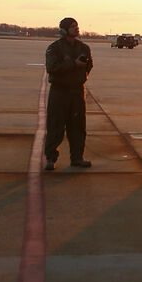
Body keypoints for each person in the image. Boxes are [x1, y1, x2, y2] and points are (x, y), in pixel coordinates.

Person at [44, 17, 93, 170]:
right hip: (59, 92)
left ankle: (77, 158)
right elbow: (52, 67)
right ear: (64, 30)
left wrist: (79, 70)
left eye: (77, 26)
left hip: (77, 92)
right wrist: (73, 64)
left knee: (78, 127)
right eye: (72, 26)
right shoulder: (55, 48)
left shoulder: (84, 48)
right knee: (55, 126)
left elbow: (89, 66)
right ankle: (51, 159)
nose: (76, 28)